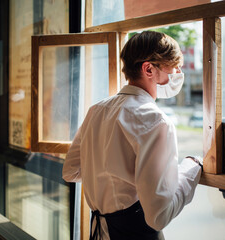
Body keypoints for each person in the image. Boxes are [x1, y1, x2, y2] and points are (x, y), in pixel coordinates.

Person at [63, 31, 202, 240]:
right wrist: (192, 167)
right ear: (149, 69)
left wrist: (106, 173)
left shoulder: (96, 110)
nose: (177, 74)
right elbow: (159, 216)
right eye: (173, 69)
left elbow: (71, 171)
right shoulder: (155, 121)